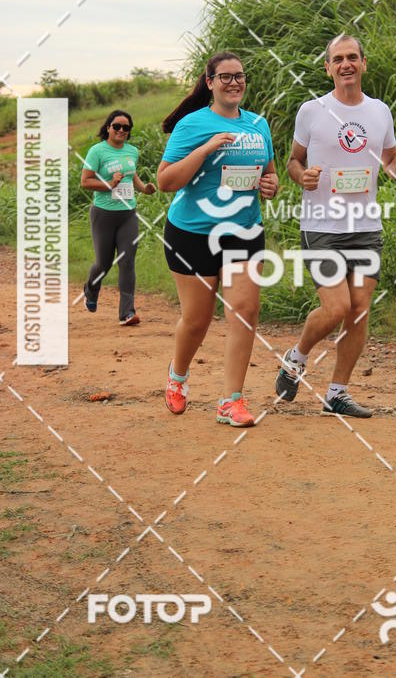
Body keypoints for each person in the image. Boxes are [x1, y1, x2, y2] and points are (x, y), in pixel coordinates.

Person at [275, 34, 396, 417]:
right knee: (336, 307)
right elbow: (293, 161)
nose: (346, 64)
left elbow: (388, 157)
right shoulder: (311, 111)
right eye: (338, 59)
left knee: (359, 311)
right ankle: (296, 356)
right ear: (328, 68)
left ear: (364, 63)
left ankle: (337, 393)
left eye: (352, 57)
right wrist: (301, 176)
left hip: (365, 226)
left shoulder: (379, 111)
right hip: (321, 224)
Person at [158, 51, 278, 426]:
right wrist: (210, 146)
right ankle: (178, 376)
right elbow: (165, 181)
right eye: (224, 77)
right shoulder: (192, 125)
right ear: (209, 83)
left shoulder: (259, 125)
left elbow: (269, 176)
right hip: (192, 232)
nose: (234, 82)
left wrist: (270, 186)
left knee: (245, 311)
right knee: (198, 319)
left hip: (243, 229)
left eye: (239, 76)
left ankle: (231, 401)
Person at [81, 109, 156, 325]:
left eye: (126, 127)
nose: (121, 130)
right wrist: (108, 185)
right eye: (117, 126)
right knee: (103, 264)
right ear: (108, 127)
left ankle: (127, 313)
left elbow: (132, 176)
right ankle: (91, 289)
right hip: (103, 214)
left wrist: (144, 189)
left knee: (127, 261)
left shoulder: (132, 151)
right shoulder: (97, 151)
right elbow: (85, 182)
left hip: (128, 215)